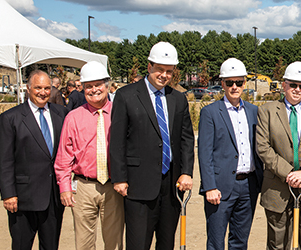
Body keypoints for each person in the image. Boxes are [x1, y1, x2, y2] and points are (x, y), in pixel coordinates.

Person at [110, 41, 195, 250]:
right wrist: (119, 178)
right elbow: (117, 140)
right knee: (138, 244)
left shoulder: (178, 99)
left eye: (169, 71)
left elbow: (186, 139)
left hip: (172, 185)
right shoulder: (126, 96)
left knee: (166, 244)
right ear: (149, 67)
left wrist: (186, 172)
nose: (164, 75)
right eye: (160, 70)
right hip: (139, 186)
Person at [256, 61, 301, 250]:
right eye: (293, 85)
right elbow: (263, 147)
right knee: (277, 244)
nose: (298, 90)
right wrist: (289, 173)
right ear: (284, 85)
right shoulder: (267, 111)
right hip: (277, 189)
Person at [54, 61, 124, 250]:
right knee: (84, 242)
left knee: (114, 241)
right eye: (88, 86)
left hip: (113, 187)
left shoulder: (120, 113)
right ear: (82, 88)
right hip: (83, 187)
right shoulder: (73, 117)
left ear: (107, 86)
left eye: (98, 84)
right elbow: (63, 157)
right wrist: (65, 188)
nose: (94, 90)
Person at [0, 70, 68, 250]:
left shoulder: (62, 113)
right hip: (22, 197)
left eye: (46, 88)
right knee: (21, 245)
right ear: (28, 89)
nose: (43, 92)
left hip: (53, 197)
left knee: (50, 245)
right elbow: (4, 160)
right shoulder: (10, 118)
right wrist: (8, 193)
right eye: (38, 88)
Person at [198, 58, 262, 249]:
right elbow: (205, 152)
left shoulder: (253, 111)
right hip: (220, 187)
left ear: (245, 83)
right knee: (216, 242)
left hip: (248, 185)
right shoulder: (210, 112)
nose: (235, 87)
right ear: (223, 84)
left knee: (240, 242)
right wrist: (209, 186)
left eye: (239, 82)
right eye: (229, 83)